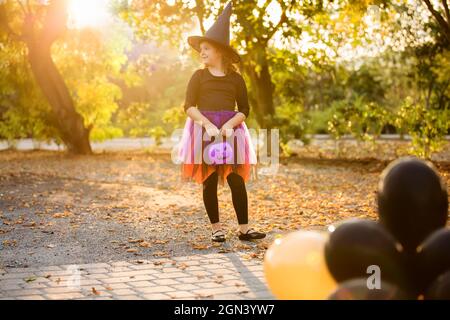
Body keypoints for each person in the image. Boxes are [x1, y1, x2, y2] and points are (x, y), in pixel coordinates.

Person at [178, 2, 266, 243]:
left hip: (230, 131)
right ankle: (217, 228)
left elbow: (245, 109)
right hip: (204, 128)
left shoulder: (236, 79)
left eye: (206, 48)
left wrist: (230, 124)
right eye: (201, 49)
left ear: (220, 52)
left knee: (236, 178)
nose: (202, 52)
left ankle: (244, 229)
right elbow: (189, 106)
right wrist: (206, 124)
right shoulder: (199, 76)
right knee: (209, 180)